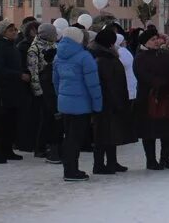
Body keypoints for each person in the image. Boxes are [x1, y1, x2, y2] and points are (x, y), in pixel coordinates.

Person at [53, 25, 102, 181]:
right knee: (75, 139)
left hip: (64, 102)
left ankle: (69, 168)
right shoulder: (84, 57)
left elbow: (56, 81)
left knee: (68, 137)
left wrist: (61, 96)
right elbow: (93, 85)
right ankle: (72, 171)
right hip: (81, 105)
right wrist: (97, 105)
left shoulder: (58, 56)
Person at [90, 28, 135, 174]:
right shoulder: (104, 59)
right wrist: (118, 102)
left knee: (111, 133)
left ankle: (112, 161)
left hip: (111, 101)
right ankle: (99, 164)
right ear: (109, 44)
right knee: (103, 134)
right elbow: (110, 84)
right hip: (108, 102)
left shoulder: (105, 57)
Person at [134, 27, 169, 170]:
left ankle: (165, 158)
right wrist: (159, 82)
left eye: (156, 39)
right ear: (145, 42)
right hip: (148, 97)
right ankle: (151, 160)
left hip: (166, 97)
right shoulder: (140, 57)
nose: (156, 41)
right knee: (149, 131)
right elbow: (142, 76)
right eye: (152, 40)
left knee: (168, 131)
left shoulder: (165, 55)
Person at [0, 20, 30, 164]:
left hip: (13, 90)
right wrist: (18, 75)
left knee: (11, 123)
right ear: (3, 32)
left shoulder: (11, 46)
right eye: (10, 30)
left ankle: (7, 150)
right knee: (1, 124)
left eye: (14, 30)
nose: (14, 32)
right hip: (2, 91)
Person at [27, 23, 63, 164]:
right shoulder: (34, 48)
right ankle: (40, 147)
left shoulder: (53, 45)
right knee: (45, 118)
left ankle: (51, 144)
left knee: (53, 117)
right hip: (44, 86)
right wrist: (38, 91)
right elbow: (33, 70)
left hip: (53, 85)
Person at [15, 20, 40, 153]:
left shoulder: (38, 45)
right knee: (26, 115)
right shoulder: (23, 46)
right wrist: (24, 73)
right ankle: (24, 142)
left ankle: (32, 141)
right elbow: (21, 64)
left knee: (35, 115)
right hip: (26, 84)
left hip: (36, 82)